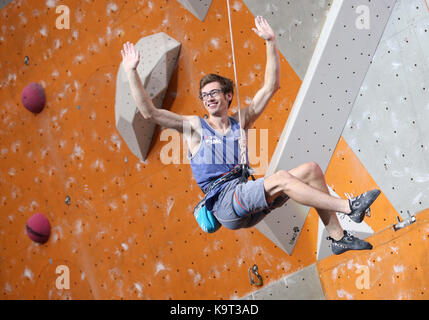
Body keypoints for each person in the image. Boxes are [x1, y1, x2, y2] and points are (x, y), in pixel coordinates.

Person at [121, 16, 380, 255]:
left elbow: (271, 87)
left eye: (214, 93)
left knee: (311, 170)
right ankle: (349, 208)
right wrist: (132, 71)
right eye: (205, 95)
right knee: (280, 179)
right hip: (226, 203)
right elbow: (150, 113)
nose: (209, 98)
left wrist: (271, 42)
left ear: (227, 96)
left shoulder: (240, 121)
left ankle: (337, 238)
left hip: (248, 201)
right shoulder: (196, 127)